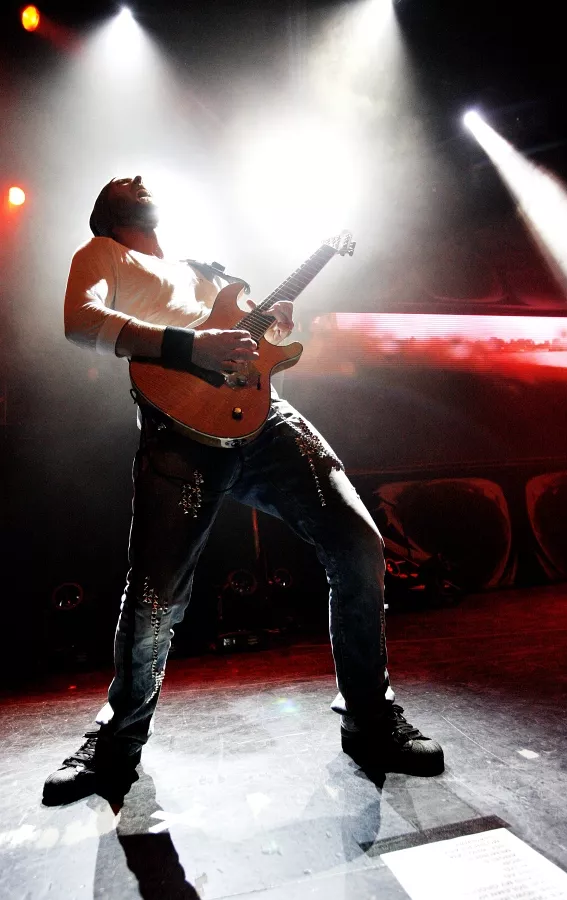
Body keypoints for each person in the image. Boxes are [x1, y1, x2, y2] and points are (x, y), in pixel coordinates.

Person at [42, 175, 444, 806]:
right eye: (126, 182)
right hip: (179, 432)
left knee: (358, 542)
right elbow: (79, 321)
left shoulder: (205, 268)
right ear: (108, 212)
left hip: (264, 418)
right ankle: (116, 744)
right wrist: (190, 344)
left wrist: (275, 330)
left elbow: (261, 344)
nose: (140, 180)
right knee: (155, 595)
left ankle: (369, 715)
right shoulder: (103, 254)